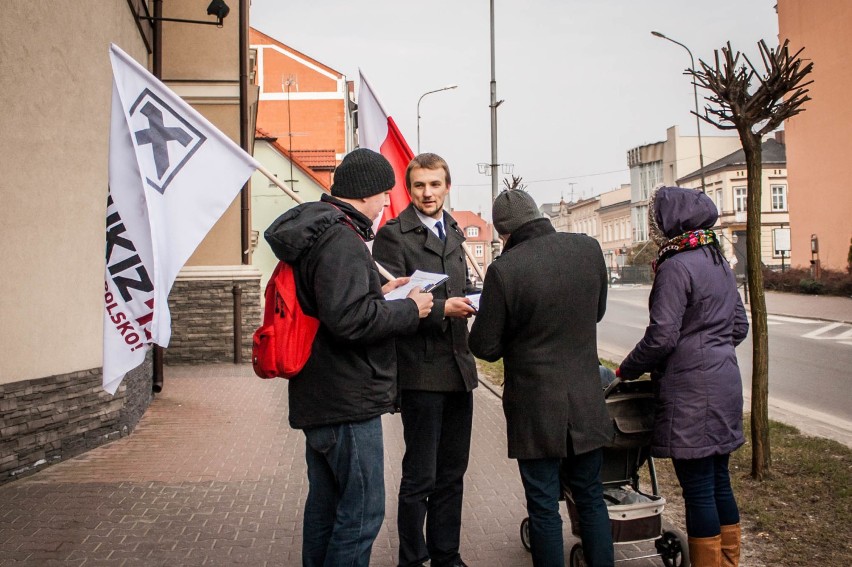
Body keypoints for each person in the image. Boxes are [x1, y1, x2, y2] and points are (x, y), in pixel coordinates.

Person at [264, 148, 434, 567]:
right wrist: (410, 308)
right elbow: (350, 320)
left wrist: (384, 292)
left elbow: (338, 306)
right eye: (384, 195)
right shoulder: (341, 239)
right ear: (368, 193)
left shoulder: (321, 232)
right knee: (361, 514)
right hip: (347, 401)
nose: (384, 206)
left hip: (321, 396)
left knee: (326, 509)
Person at [468, 187, 615, 567]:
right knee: (590, 496)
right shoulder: (588, 249)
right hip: (585, 399)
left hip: (535, 408)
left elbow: (485, 347)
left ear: (504, 232)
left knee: (544, 505)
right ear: (538, 215)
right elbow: (596, 312)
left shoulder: (505, 269)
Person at [615, 186, 749, 567]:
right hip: (724, 383)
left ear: (669, 222)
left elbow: (662, 337)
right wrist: (714, 349)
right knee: (719, 479)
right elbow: (739, 326)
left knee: (699, 489)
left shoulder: (676, 265)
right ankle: (728, 561)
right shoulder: (715, 258)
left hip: (691, 391)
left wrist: (627, 369)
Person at [372, 153, 478, 567]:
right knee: (420, 477)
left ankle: (446, 556)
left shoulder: (452, 228)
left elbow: (460, 286)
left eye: (435, 184)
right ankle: (412, 560)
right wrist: (441, 310)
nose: (427, 193)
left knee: (452, 474)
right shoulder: (394, 236)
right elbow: (395, 303)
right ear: (409, 188)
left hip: (459, 369)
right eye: (419, 185)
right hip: (420, 372)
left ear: (447, 186)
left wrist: (472, 301)